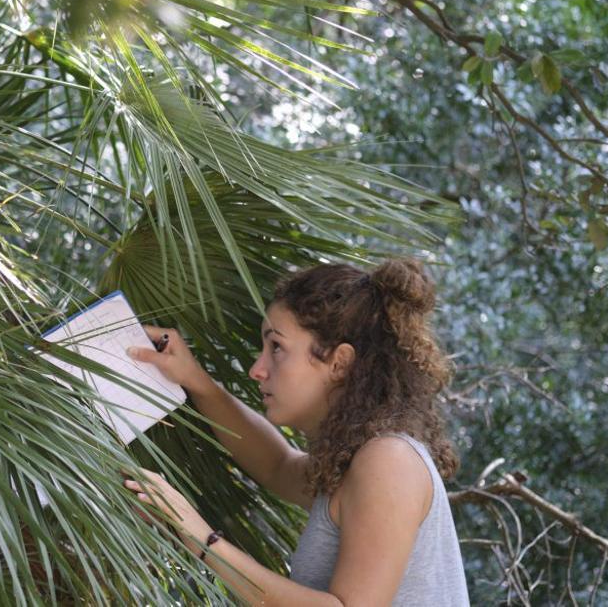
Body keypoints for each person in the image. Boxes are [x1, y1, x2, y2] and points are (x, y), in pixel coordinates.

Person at [121, 258, 470, 606]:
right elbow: (277, 465)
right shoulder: (356, 460)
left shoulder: (389, 461)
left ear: (339, 363)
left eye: (276, 347)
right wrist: (195, 379)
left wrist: (201, 537)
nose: (257, 369)